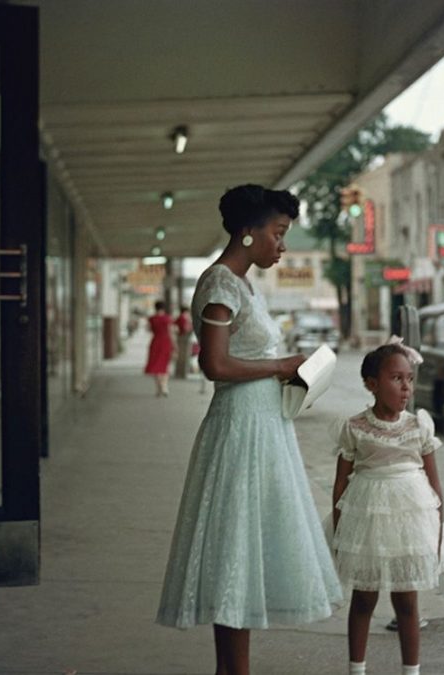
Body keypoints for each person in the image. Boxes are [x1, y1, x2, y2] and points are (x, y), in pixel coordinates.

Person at [156, 184, 342, 675]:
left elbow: (244, 356)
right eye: (277, 233)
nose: (282, 246)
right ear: (247, 233)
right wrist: (281, 363)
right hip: (240, 430)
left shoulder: (243, 285)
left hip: (263, 425)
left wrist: (291, 372)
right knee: (236, 548)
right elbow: (214, 364)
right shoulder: (220, 284)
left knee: (250, 548)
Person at [329, 340, 444, 675]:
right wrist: (341, 534)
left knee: (406, 600)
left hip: (409, 521)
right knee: (364, 596)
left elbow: (434, 486)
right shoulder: (356, 427)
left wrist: (436, 532)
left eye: (410, 379)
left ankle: (410, 670)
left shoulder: (419, 426)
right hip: (368, 518)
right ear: (372, 384)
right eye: (396, 378)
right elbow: (340, 484)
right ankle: (357, 669)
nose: (405, 387)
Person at [144, 300, 174, 396]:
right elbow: (171, 332)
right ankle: (164, 387)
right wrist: (175, 345)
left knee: (156, 366)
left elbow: (148, 329)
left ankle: (158, 388)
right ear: (164, 308)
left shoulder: (152, 318)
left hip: (155, 342)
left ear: (155, 307)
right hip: (166, 342)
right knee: (164, 365)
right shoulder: (168, 318)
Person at [173, 305, 193, 379]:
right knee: (184, 356)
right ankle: (183, 373)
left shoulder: (181, 317)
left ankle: (180, 372)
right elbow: (186, 328)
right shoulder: (184, 318)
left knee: (181, 356)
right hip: (184, 337)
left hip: (181, 337)